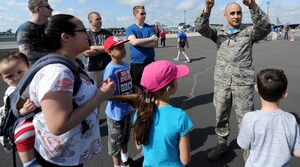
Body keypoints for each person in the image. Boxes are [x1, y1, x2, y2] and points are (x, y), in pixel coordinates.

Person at [26, 14, 115, 166]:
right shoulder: (58, 73)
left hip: (71, 153)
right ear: (66, 37)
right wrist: (99, 97)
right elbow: (58, 125)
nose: (87, 34)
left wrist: (98, 91)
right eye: (83, 30)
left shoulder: (74, 63)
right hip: (60, 159)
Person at [194, 0, 271, 161]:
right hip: (222, 82)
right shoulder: (218, 33)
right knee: (220, 115)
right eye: (232, 13)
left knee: (245, 118)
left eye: (239, 13)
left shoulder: (249, 32)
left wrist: (253, 7)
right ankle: (222, 144)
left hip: (242, 84)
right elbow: (200, 27)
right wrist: (207, 9)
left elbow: (265, 27)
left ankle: (249, 152)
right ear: (225, 16)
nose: (236, 16)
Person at [133, 60, 193, 167]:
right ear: (169, 88)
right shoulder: (179, 116)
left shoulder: (140, 111)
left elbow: (138, 146)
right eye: (175, 78)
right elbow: (185, 160)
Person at [237, 69, 300, 166]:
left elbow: (243, 144)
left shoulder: (250, 118)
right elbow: (297, 151)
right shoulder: (290, 119)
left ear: (256, 88)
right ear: (284, 94)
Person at [103, 36, 144, 167]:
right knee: (115, 142)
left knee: (125, 137)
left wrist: (135, 88)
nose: (123, 49)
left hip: (127, 110)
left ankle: (125, 160)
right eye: (119, 47)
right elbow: (108, 95)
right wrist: (130, 98)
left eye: (123, 46)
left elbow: (129, 82)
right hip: (116, 113)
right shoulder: (110, 69)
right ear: (110, 52)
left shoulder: (125, 65)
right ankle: (117, 165)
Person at [0, 52, 39, 167]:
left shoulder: (33, 82)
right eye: (9, 76)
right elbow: (16, 113)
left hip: (36, 115)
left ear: (29, 68)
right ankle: (29, 162)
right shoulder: (12, 92)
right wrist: (25, 110)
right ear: (2, 78)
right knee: (24, 133)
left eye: (20, 72)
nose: (16, 77)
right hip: (22, 120)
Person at [126, 5, 158, 90]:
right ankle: (138, 103)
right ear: (135, 15)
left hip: (150, 61)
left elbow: (155, 43)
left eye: (145, 13)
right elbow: (134, 42)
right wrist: (150, 39)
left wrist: (138, 42)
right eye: (142, 13)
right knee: (137, 87)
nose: (144, 15)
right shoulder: (130, 29)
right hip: (137, 63)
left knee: (150, 86)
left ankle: (149, 103)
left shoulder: (149, 28)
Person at [16, 0, 53, 65]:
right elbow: (26, 54)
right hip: (38, 69)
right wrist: (54, 55)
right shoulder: (25, 29)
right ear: (37, 9)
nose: (51, 9)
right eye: (48, 7)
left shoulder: (48, 26)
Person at [82, 11, 113, 86]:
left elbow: (112, 48)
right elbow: (86, 53)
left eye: (100, 18)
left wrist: (93, 47)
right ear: (90, 21)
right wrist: (105, 49)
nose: (100, 20)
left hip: (108, 67)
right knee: (95, 90)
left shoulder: (108, 34)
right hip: (92, 69)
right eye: (97, 19)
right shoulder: (86, 35)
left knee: (109, 89)